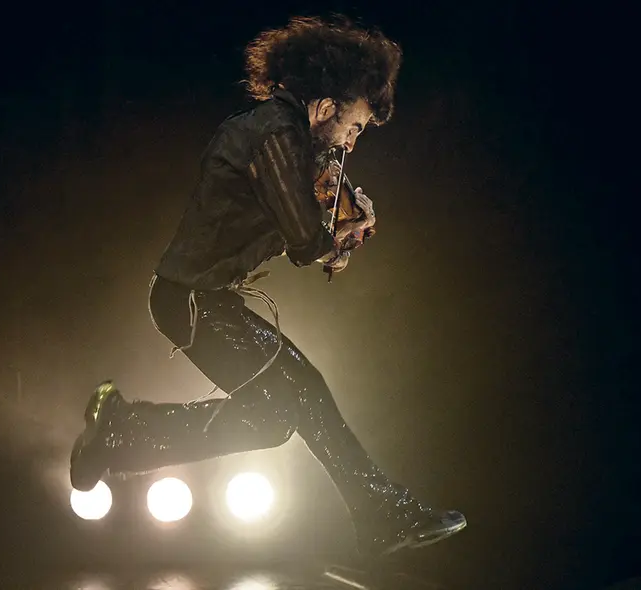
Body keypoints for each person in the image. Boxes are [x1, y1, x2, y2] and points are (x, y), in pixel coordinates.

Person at [69, 15, 466, 557]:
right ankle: (381, 514)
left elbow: (308, 225)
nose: (353, 140)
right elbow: (304, 240)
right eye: (354, 126)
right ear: (326, 104)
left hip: (204, 299)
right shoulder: (275, 132)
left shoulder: (293, 137)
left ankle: (122, 431)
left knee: (275, 419)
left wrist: (344, 228)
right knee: (307, 388)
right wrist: (341, 230)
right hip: (190, 300)